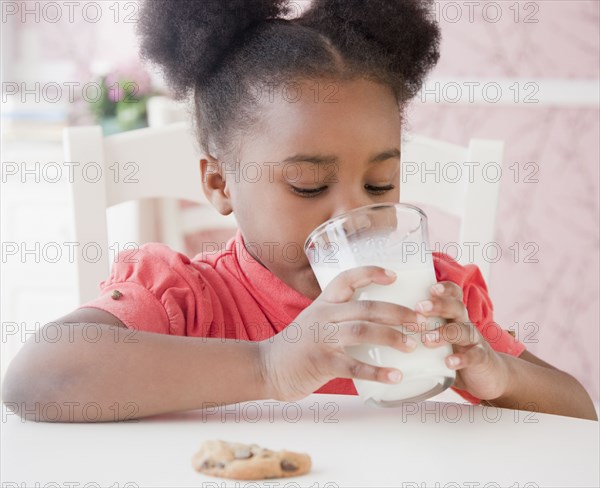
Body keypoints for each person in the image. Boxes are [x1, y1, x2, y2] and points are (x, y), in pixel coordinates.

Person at [3, 0, 597, 422]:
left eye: (380, 183)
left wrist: (498, 374)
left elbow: (580, 413)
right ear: (219, 182)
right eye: (308, 186)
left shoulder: (434, 295)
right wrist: (269, 365)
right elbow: (37, 380)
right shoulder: (187, 300)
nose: (353, 215)